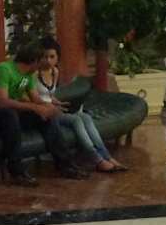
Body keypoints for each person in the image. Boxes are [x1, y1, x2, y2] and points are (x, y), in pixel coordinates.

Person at [0, 40, 87, 186]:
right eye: (42, 59)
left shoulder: (29, 75)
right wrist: (35, 108)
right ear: (34, 61)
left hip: (8, 112)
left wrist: (49, 107)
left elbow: (35, 99)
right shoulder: (4, 70)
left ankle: (65, 164)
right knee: (10, 115)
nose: (44, 63)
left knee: (45, 118)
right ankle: (17, 171)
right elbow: (2, 102)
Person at [35, 38, 128, 173]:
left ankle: (107, 157)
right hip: (45, 112)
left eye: (52, 57)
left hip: (55, 108)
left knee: (85, 117)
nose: (48, 60)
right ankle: (97, 159)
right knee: (76, 120)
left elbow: (49, 95)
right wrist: (50, 106)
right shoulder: (34, 74)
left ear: (57, 57)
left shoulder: (55, 72)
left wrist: (58, 102)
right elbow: (34, 97)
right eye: (45, 57)